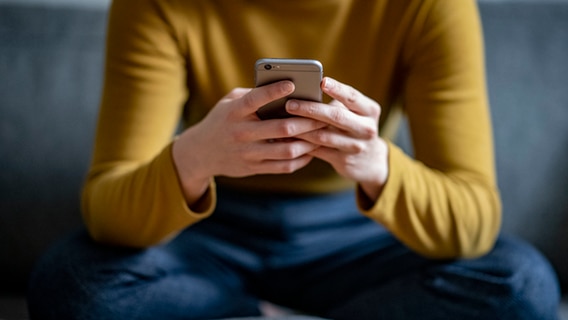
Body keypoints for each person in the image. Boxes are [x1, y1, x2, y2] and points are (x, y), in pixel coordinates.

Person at [27, 0, 560, 319]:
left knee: (522, 285)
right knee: (69, 284)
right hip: (210, 230)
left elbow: (474, 220)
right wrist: (193, 158)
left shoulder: (428, 7)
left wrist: (378, 166)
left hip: (359, 232)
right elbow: (106, 208)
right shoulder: (160, 4)